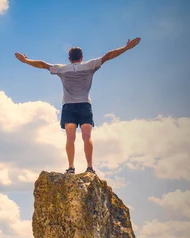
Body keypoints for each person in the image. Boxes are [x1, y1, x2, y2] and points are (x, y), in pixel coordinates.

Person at [15, 38, 141, 174]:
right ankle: (90, 167)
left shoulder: (62, 69)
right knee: (87, 136)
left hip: (69, 106)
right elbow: (107, 56)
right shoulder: (89, 65)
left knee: (70, 138)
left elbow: (43, 64)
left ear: (69, 59)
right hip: (84, 105)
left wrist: (26, 61)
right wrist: (126, 48)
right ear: (81, 58)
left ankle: (71, 167)